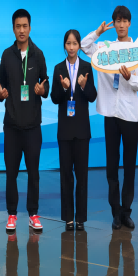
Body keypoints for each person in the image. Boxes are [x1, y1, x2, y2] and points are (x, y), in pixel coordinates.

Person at [81, 6, 138, 230]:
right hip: (110, 113)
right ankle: (115, 212)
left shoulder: (136, 50)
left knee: (129, 166)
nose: (120, 25)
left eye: (124, 21)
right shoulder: (104, 48)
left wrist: (129, 78)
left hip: (129, 114)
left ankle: (126, 212)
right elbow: (84, 46)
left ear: (129, 23)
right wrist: (98, 32)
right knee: (112, 166)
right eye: (117, 21)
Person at [0, 9, 49, 231]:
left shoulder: (38, 54)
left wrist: (42, 90)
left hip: (33, 126)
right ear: (13, 29)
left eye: (25, 26)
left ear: (30, 28)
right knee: (11, 173)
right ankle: (12, 214)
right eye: (18, 26)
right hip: (11, 126)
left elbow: (46, 84)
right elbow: (1, 85)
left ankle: (33, 213)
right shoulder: (7, 55)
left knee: (33, 173)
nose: (21, 30)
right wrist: (0, 94)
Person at [51, 29, 97, 231]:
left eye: (75, 43)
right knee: (66, 175)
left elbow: (93, 96)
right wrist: (63, 88)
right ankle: (68, 217)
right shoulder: (58, 68)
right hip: (64, 130)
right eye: (68, 43)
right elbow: (54, 98)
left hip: (82, 130)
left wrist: (85, 86)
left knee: (82, 176)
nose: (71, 47)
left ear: (79, 46)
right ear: (64, 45)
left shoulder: (86, 67)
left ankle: (81, 218)